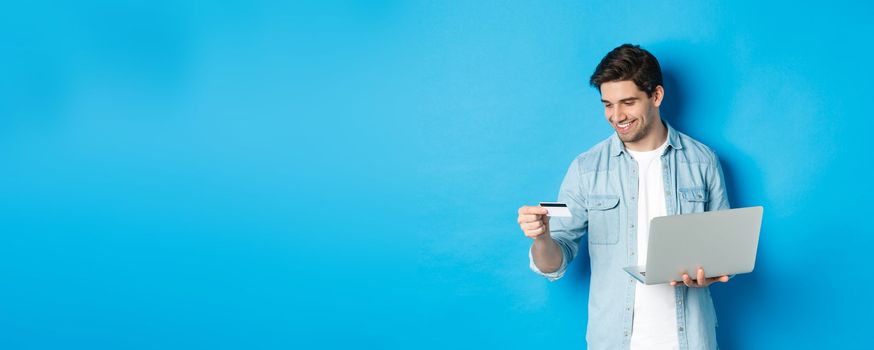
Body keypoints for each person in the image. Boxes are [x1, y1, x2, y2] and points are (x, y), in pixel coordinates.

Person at [517, 44, 731, 350]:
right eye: (607, 104)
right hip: (613, 341)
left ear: (656, 96)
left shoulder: (703, 161)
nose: (616, 116)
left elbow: (722, 252)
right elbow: (554, 262)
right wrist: (541, 237)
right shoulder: (586, 169)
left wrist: (710, 273)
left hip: (691, 340)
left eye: (627, 103)